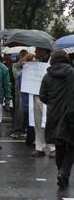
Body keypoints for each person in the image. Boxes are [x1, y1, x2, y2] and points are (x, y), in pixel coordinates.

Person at [40, 50, 74, 188]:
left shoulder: (47, 76)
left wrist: (53, 103)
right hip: (70, 113)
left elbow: (42, 96)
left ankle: (61, 173)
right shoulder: (71, 73)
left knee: (59, 146)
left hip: (53, 114)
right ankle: (64, 172)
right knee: (72, 145)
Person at [31, 47, 55, 157]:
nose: (35, 52)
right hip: (36, 94)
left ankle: (52, 147)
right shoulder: (35, 62)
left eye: (37, 50)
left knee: (49, 122)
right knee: (37, 122)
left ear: (44, 51)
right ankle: (39, 147)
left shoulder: (53, 61)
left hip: (49, 96)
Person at [11, 49, 29, 139]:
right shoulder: (15, 65)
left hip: (29, 90)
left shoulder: (31, 65)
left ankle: (27, 130)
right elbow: (16, 76)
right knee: (19, 111)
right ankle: (17, 130)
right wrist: (22, 64)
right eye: (23, 56)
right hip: (19, 91)